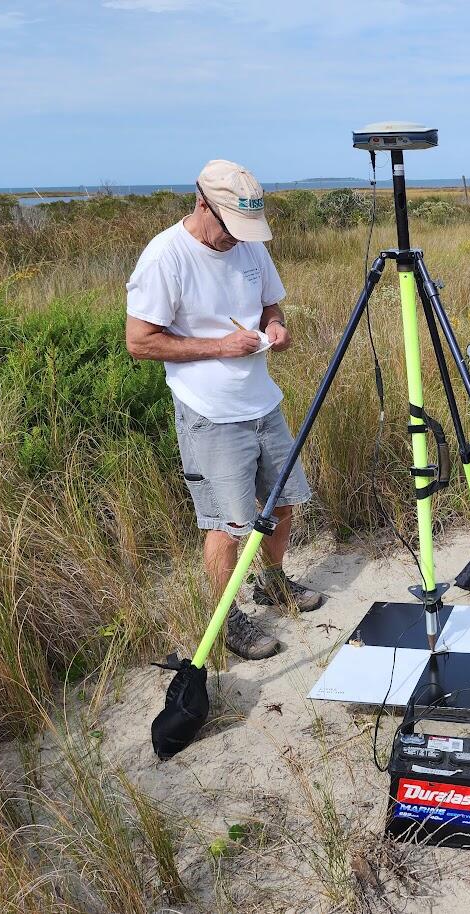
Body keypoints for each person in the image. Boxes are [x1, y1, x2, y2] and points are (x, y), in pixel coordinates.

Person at [125, 159, 326, 661]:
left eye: (245, 230)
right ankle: (226, 615)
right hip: (208, 411)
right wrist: (219, 346)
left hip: (261, 401)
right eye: (230, 228)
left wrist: (275, 328)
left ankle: (273, 583)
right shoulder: (164, 257)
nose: (238, 239)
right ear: (201, 203)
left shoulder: (249, 244)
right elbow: (140, 342)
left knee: (283, 502)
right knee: (228, 522)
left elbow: (271, 306)